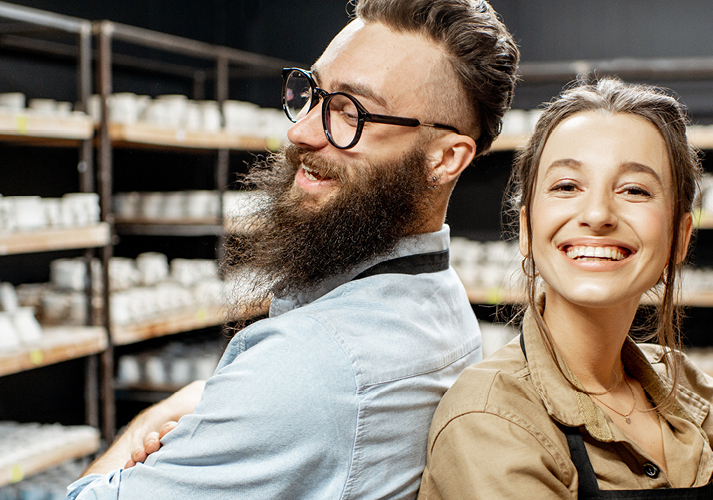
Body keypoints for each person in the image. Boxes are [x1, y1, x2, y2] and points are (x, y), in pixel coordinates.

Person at [66, 1, 518, 499]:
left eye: (351, 112)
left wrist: (150, 420)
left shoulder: (313, 366)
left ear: (445, 158)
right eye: (314, 92)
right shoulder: (437, 293)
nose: (300, 132)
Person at [417, 78, 713, 499]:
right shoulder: (491, 418)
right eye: (567, 186)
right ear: (526, 229)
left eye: (634, 190)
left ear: (681, 238)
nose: (597, 214)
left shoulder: (698, 399)